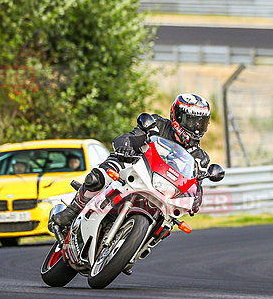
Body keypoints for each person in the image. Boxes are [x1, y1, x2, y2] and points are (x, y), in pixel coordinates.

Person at [51, 93, 212, 228]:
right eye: (191, 121)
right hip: (134, 168)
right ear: (177, 115)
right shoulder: (157, 125)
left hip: (162, 191)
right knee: (96, 179)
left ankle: (133, 253)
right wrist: (125, 147)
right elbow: (130, 137)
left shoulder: (200, 157)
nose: (196, 128)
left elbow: (195, 187)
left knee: (167, 223)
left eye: (201, 123)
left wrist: (195, 199)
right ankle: (73, 210)